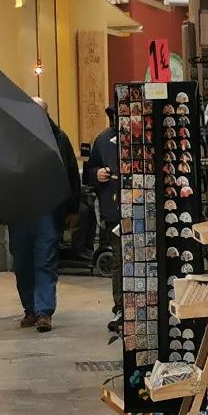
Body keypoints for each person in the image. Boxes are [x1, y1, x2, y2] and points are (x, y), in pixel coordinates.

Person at [10, 97, 80, 333]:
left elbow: (72, 174)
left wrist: (73, 209)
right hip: (20, 210)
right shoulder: (15, 137)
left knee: (45, 262)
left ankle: (43, 312)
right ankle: (30, 308)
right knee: (22, 263)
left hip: (48, 211)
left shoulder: (59, 139)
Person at [83, 106, 121, 324]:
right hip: (112, 209)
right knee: (119, 260)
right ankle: (120, 307)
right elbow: (90, 172)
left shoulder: (143, 136)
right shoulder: (103, 140)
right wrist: (97, 174)